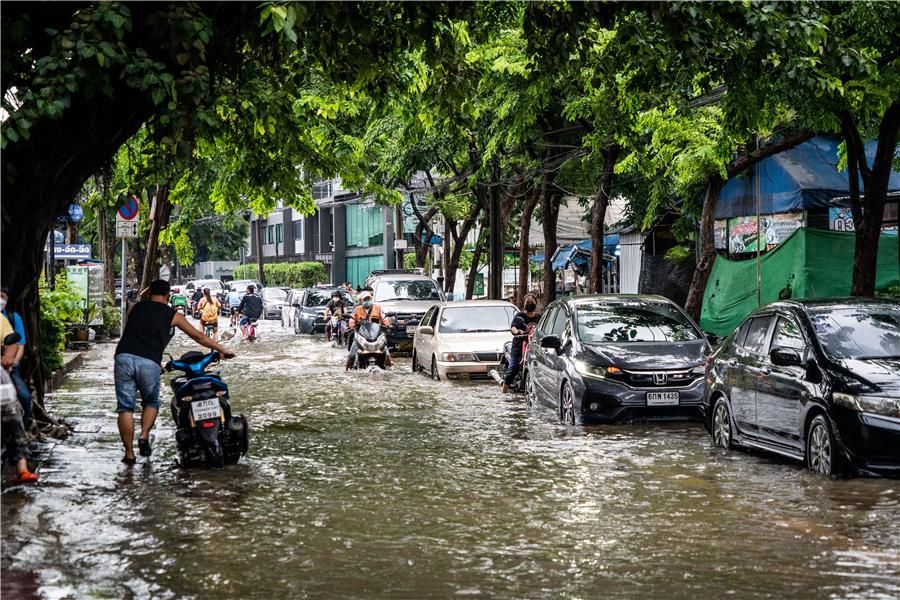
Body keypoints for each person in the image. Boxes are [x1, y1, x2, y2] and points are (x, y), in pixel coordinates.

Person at [115, 279, 235, 464]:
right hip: (149, 361)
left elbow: (136, 321)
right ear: (168, 296)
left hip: (123, 358)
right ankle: (144, 435)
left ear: (149, 293)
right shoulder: (173, 315)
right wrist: (222, 349)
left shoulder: (135, 308)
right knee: (151, 402)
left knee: (125, 407)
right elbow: (198, 336)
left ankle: (129, 454)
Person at [1, 314, 37, 483]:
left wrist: (8, 358)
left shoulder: (2, 320)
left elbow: (13, 343)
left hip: (2, 372)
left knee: (13, 413)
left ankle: (22, 467)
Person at [0, 287, 32, 428]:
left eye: (2, 296)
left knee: (24, 398)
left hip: (6, 369)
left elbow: (16, 344)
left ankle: (22, 433)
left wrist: (10, 361)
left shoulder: (5, 320)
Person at [502, 293, 542, 394]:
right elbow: (513, 327)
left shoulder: (539, 318)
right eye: (527, 302)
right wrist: (517, 331)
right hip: (519, 346)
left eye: (531, 302)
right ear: (524, 304)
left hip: (535, 347)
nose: (529, 304)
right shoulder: (520, 317)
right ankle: (504, 391)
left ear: (535, 303)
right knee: (513, 368)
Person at [346, 290, 392, 370]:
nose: (367, 301)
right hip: (361, 335)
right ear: (361, 301)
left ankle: (388, 367)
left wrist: (387, 324)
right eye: (365, 300)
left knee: (386, 352)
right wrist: (352, 324)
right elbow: (352, 319)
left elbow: (384, 317)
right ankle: (348, 369)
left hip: (376, 335)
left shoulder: (378, 308)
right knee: (351, 355)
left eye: (368, 299)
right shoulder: (357, 309)